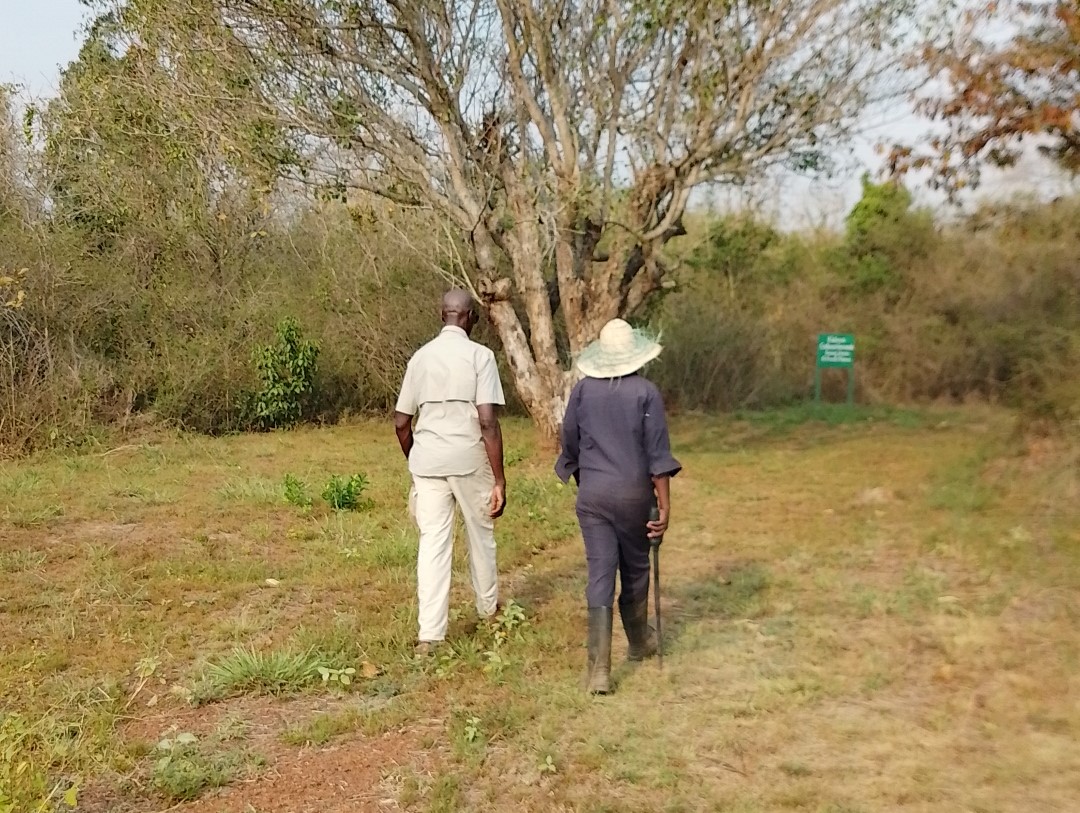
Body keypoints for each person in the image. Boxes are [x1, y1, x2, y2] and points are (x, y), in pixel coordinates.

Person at [555, 318, 681, 694]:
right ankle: (640, 641)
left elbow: (570, 442)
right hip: (633, 496)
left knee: (600, 573)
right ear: (637, 356)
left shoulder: (581, 392)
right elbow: (657, 455)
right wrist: (665, 505)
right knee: (636, 567)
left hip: (593, 496)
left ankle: (599, 671)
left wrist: (586, 480)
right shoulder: (646, 393)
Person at [394, 290, 508, 656]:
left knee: (433, 544)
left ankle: (430, 635)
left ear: (441, 314)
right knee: (480, 534)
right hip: (467, 458)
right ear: (471, 318)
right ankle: (489, 612)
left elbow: (401, 422)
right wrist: (500, 479)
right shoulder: (481, 356)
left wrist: (418, 458)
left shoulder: (420, 358)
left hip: (427, 461)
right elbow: (487, 421)